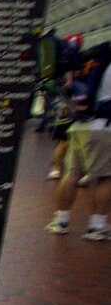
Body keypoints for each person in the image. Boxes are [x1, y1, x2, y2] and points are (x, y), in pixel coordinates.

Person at [45, 63, 111, 241]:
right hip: (104, 127)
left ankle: (61, 221)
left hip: (80, 124)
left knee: (72, 173)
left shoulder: (96, 61)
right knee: (105, 178)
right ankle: (97, 227)